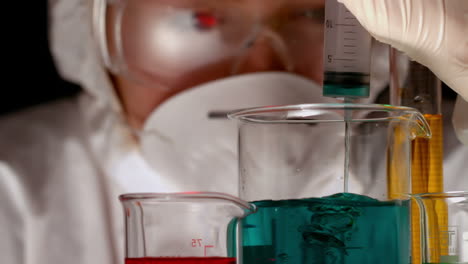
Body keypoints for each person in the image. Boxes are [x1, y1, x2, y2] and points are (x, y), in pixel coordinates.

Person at [0, 0, 466, 263]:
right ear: (92, 36)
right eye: (197, 20)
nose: (261, 66)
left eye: (308, 16)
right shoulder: (13, 192)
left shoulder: (451, 166)